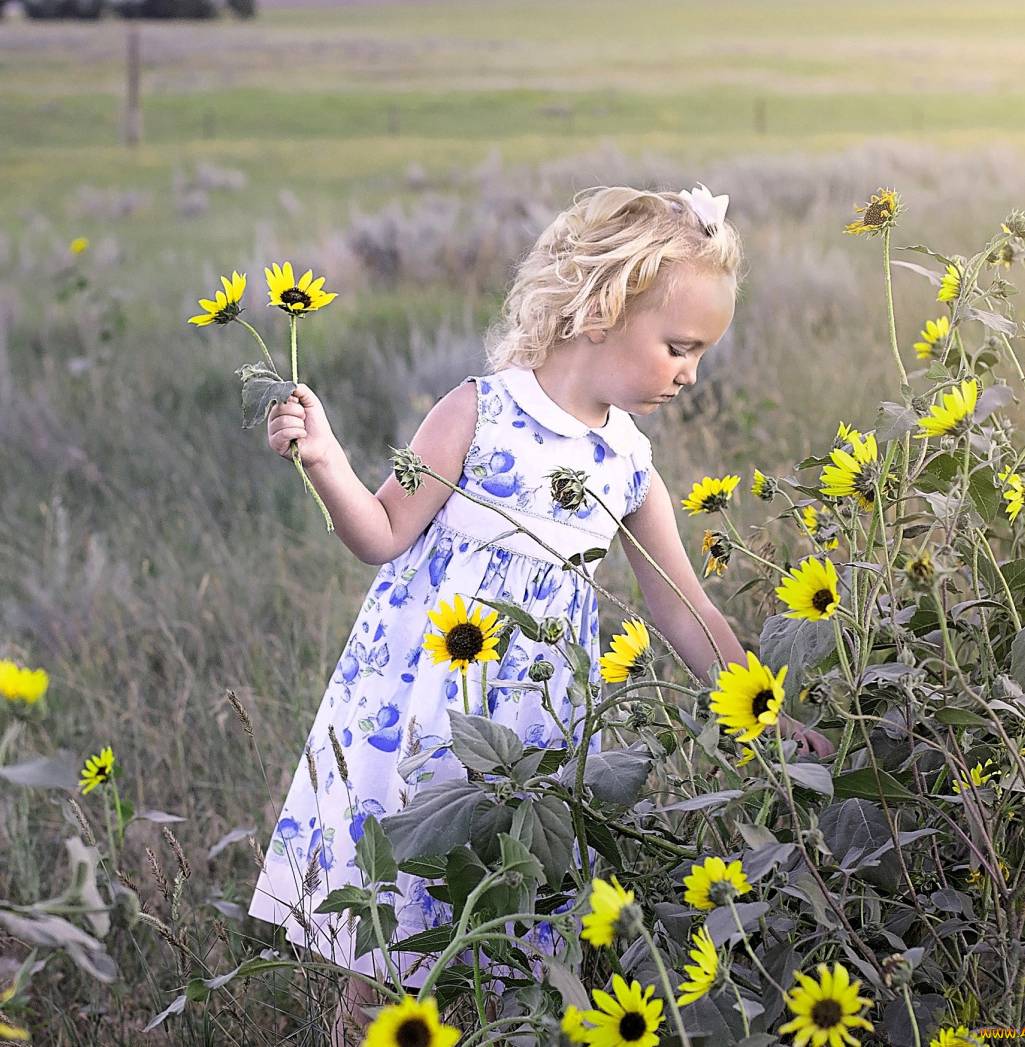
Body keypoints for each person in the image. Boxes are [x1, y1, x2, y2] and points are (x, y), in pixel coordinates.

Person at [247, 185, 831, 1034]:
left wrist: (765, 710)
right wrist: (329, 459)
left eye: (700, 354)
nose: (690, 374)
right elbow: (380, 529)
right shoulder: (475, 413)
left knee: (511, 940)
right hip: (425, 721)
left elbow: (683, 606)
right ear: (602, 308)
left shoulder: (628, 463)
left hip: (537, 739)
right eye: (678, 347)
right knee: (397, 943)